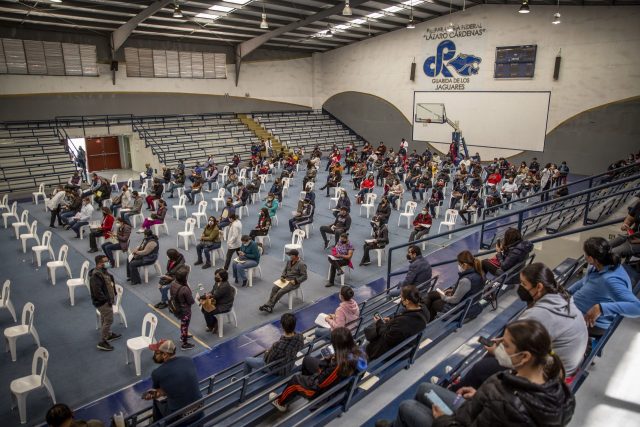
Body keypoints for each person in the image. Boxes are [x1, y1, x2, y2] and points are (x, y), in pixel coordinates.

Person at [376, 319, 575, 427]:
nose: (497, 345)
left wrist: (442, 420)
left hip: (459, 421)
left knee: (407, 406)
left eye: (505, 345)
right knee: (425, 388)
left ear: (524, 357)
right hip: (474, 410)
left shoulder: (507, 405)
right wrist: (478, 396)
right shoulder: (557, 389)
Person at [270, 327, 367, 412]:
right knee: (307, 360)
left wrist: (326, 362)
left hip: (322, 390)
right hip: (334, 378)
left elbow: (321, 383)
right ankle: (302, 388)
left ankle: (281, 403)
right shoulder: (359, 353)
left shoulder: (339, 365)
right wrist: (331, 360)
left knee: (295, 380)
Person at [569, 237, 640, 340]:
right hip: (575, 311)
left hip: (593, 324)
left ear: (591, 258)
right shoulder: (596, 266)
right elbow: (584, 281)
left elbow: (637, 308)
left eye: (585, 253)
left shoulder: (611, 280)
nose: (583, 255)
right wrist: (566, 291)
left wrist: (601, 308)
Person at [143, 339, 203, 422]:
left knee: (156, 398)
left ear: (164, 355)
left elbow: (155, 393)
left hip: (179, 418)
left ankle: (157, 423)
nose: (154, 356)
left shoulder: (157, 373)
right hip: (199, 409)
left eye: (156, 353)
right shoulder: (188, 360)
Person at [365, 285, 429, 360]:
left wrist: (379, 323)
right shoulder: (424, 310)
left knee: (368, 342)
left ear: (407, 301)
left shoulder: (403, 322)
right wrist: (391, 319)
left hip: (396, 350)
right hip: (408, 341)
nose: (400, 299)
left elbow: (388, 338)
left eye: (401, 297)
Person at [423, 251, 484, 321]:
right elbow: (470, 290)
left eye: (459, 264)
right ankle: (425, 317)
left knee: (435, 303)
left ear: (464, 265)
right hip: (471, 303)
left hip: (460, 308)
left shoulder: (466, 280)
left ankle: (427, 320)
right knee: (432, 294)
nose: (458, 266)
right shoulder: (479, 273)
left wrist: (442, 296)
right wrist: (453, 290)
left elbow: (454, 300)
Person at [89, 255, 121, 351]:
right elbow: (97, 292)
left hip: (107, 301)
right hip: (103, 302)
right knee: (109, 320)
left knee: (104, 318)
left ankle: (108, 335)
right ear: (99, 264)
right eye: (106, 261)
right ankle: (103, 341)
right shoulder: (96, 276)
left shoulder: (103, 272)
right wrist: (106, 301)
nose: (108, 263)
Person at [198, 268, 235, 334]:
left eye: (217, 276)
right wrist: (207, 295)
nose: (215, 277)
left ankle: (211, 326)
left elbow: (214, 296)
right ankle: (215, 322)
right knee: (204, 308)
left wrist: (201, 297)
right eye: (215, 275)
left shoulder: (224, 286)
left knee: (207, 310)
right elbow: (212, 292)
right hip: (218, 300)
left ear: (222, 278)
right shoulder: (217, 282)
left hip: (224, 305)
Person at [169, 267, 196, 350]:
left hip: (176, 307)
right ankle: (184, 344)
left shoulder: (173, 283)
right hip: (185, 310)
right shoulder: (184, 289)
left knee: (183, 324)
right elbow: (191, 301)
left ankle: (183, 336)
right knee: (185, 325)